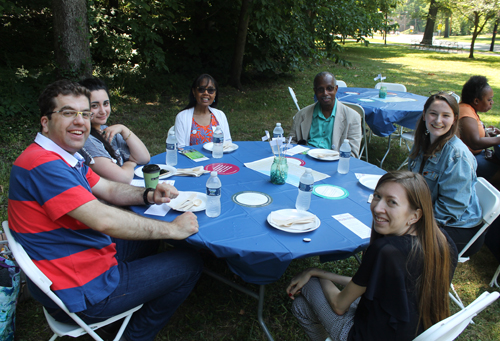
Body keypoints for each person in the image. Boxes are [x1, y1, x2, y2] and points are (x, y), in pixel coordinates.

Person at [8, 79, 202, 341]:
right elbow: (104, 220)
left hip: (77, 261)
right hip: (82, 291)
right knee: (189, 262)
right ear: (45, 121)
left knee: (149, 240)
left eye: (84, 114)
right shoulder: (43, 165)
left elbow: (108, 189)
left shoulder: (64, 156)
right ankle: (130, 336)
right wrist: (171, 229)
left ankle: (123, 313)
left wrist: (148, 195)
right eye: (68, 113)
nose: (80, 121)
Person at [287, 171, 457, 341]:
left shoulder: (386, 250)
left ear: (415, 216)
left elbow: (339, 305)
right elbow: (367, 285)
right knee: (301, 306)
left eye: (392, 202)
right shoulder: (442, 242)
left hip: (367, 335)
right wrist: (320, 271)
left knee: (310, 284)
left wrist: (314, 274)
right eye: (377, 196)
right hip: (411, 331)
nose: (377, 208)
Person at [408, 92, 483, 256]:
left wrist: (413, 224)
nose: (438, 120)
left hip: (456, 227)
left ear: (455, 119)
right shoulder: (423, 142)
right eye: (433, 113)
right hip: (430, 214)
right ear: (424, 115)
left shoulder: (457, 156)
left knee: (398, 243)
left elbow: (450, 209)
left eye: (445, 115)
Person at [78, 78, 150, 184]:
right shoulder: (87, 140)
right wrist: (130, 163)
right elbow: (123, 178)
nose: (103, 111)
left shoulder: (107, 130)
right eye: (94, 106)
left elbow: (144, 158)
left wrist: (124, 129)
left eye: (106, 104)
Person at [290, 71, 362, 157]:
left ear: (336, 89)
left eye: (329, 88)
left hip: (334, 163)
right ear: (315, 91)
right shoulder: (301, 115)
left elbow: (352, 154)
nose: (325, 93)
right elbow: (290, 142)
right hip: (305, 160)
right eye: (320, 89)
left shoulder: (352, 117)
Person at [458, 75, 500, 182]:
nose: (492, 102)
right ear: (476, 101)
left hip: (475, 156)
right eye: (489, 99)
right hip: (465, 162)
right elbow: (475, 143)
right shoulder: (466, 114)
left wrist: (486, 132)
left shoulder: (468, 109)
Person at [175, 74, 232, 148]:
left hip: (218, 158)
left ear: (215, 94)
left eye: (210, 90)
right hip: (191, 159)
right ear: (194, 92)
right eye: (201, 89)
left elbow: (227, 143)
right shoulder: (182, 117)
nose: (206, 93)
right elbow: (180, 148)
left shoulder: (220, 115)